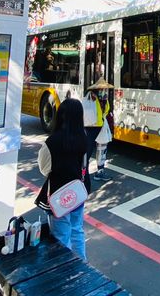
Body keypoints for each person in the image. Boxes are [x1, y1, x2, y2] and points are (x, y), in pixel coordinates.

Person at [37, 98, 91, 260]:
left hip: (58, 195)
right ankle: (82, 263)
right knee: (77, 230)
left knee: (61, 235)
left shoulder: (52, 142)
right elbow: (84, 164)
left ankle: (65, 269)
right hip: (78, 191)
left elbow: (44, 168)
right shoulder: (84, 137)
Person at [83, 77, 115, 182]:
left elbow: (105, 112)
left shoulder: (104, 99)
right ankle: (82, 175)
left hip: (101, 126)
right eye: (102, 88)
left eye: (105, 88)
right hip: (91, 127)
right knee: (87, 151)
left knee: (102, 149)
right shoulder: (90, 97)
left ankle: (100, 172)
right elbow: (88, 112)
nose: (104, 90)